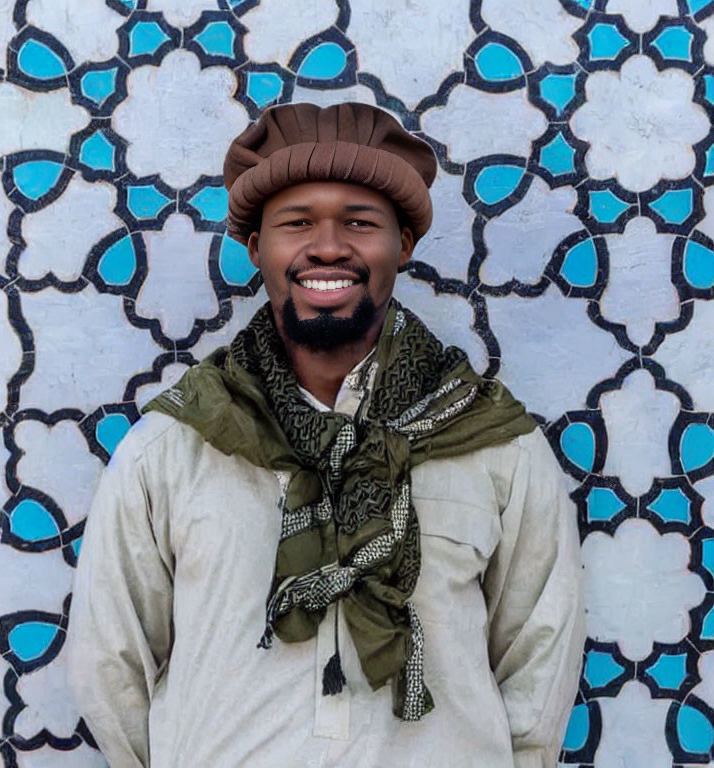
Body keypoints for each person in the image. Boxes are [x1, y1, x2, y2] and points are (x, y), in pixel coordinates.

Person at [68, 102, 585, 768]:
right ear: (257, 248)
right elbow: (110, 662)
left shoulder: (493, 445)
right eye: (298, 223)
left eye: (360, 223)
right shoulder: (175, 445)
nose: (329, 246)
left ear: (403, 244)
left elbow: (540, 659)